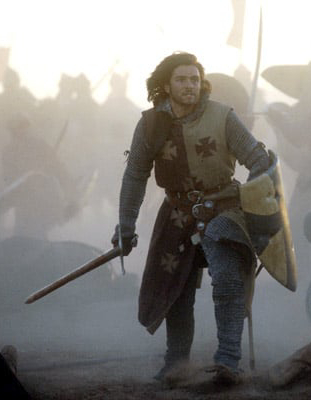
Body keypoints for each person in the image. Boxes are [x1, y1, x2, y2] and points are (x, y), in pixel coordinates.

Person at [112, 52, 270, 384]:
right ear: (166, 85)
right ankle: (176, 362)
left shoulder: (223, 116)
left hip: (224, 210)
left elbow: (259, 161)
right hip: (177, 213)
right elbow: (135, 175)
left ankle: (228, 361)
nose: (189, 86)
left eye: (195, 80)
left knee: (228, 280)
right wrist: (126, 225)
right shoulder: (151, 124)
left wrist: (260, 211)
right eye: (182, 80)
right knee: (176, 289)